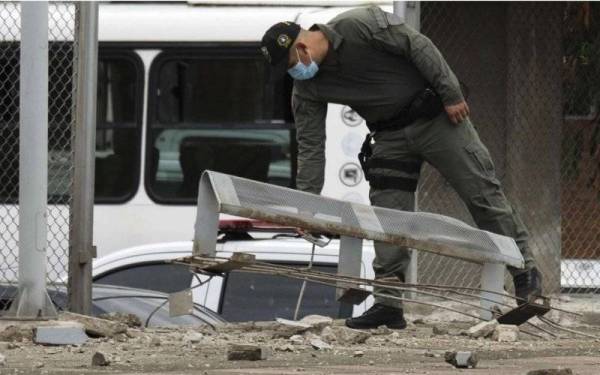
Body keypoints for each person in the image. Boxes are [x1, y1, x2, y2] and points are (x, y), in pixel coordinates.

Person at [260, 6, 542, 330]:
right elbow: (310, 148)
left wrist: (450, 93)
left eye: (291, 66)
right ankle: (388, 304)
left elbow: (419, 46)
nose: (293, 74)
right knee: (388, 217)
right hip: (389, 135)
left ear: (302, 48)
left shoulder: (360, 25)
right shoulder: (306, 89)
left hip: (437, 119)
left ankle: (526, 275)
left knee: (482, 194)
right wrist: (305, 208)